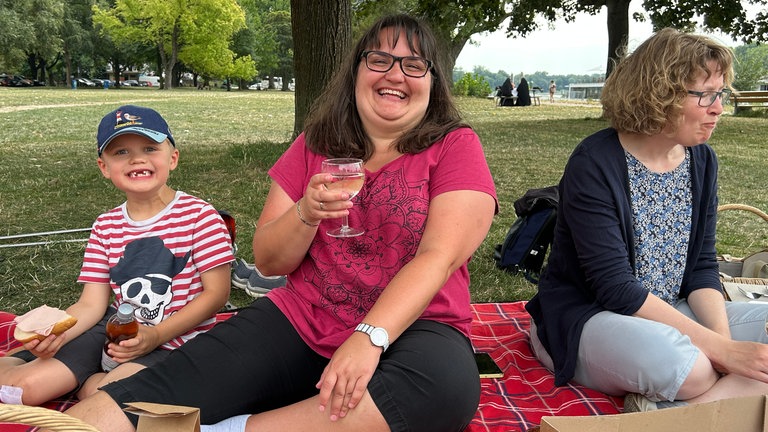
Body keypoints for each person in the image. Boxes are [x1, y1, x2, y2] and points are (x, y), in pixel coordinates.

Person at [65, 14, 497, 432]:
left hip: (417, 327)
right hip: (305, 316)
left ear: (433, 81)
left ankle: (229, 429)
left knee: (445, 389)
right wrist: (306, 213)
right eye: (379, 59)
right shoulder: (315, 143)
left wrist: (368, 337)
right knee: (151, 395)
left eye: (414, 64)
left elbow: (438, 257)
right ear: (356, 70)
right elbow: (269, 261)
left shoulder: (456, 145)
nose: (395, 75)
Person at [525, 27, 768, 413]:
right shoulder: (595, 162)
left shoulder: (702, 161)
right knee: (689, 369)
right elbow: (615, 288)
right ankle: (721, 400)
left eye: (720, 94)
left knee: (747, 340)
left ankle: (669, 415)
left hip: (672, 309)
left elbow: (703, 267)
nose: (718, 108)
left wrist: (726, 348)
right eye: (705, 94)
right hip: (591, 317)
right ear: (661, 93)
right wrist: (721, 353)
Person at [0, 105, 234, 406]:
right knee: (24, 391)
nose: (137, 158)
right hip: (113, 330)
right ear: (103, 167)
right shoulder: (106, 225)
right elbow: (91, 303)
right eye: (120, 152)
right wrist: (54, 337)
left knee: (113, 401)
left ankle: (85, 381)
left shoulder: (201, 217)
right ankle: (22, 361)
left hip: (175, 341)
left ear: (172, 158)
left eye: (150, 147)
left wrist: (156, 335)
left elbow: (217, 294)